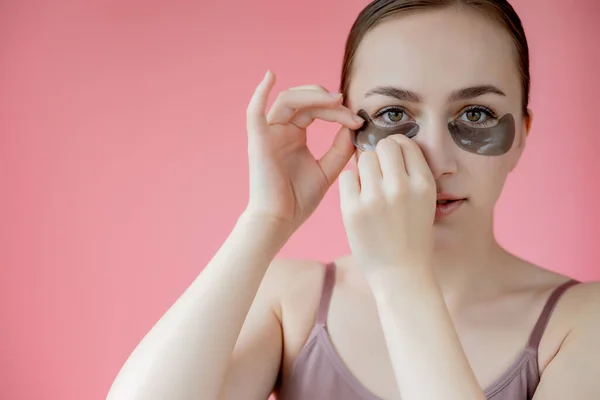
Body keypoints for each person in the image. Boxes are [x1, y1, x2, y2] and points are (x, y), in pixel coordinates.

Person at [106, 1, 600, 399]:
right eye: (391, 113)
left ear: (523, 136)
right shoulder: (291, 304)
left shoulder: (582, 322)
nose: (434, 161)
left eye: (475, 114)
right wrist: (265, 219)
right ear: (347, 128)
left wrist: (400, 278)